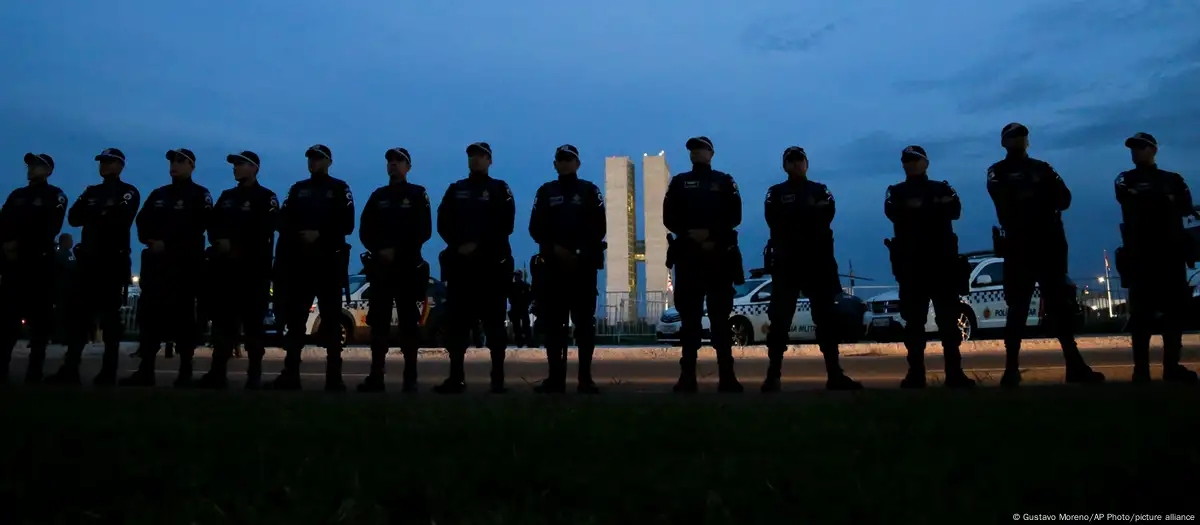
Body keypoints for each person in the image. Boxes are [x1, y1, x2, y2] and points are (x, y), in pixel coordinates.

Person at [986, 123, 1104, 387]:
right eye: (1013, 137)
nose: (1019, 140)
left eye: (1022, 136)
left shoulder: (1043, 168)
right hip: (1019, 245)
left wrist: (1029, 196)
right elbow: (1004, 199)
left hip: (1048, 245)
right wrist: (1038, 195)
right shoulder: (998, 171)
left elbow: (1064, 199)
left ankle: (1074, 367)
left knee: (1059, 309)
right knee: (1017, 307)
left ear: (1028, 141)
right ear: (1004, 142)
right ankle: (1011, 371)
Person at [761, 146, 861, 392]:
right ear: (784, 166)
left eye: (799, 161)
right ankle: (773, 377)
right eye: (791, 161)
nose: (796, 165)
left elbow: (826, 213)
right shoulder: (775, 192)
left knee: (827, 320)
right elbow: (775, 218)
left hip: (818, 263)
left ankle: (835, 375)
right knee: (780, 320)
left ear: (807, 164)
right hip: (787, 264)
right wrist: (806, 214)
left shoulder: (820, 189)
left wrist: (796, 217)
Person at [45, 148, 140, 386]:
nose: (104, 166)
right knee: (79, 318)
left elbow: (120, 217)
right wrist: (101, 213)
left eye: (109, 162)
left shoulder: (128, 191)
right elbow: (75, 217)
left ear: (120, 166)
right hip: (88, 261)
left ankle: (108, 372)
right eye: (102, 162)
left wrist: (95, 213)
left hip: (111, 262)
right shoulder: (92, 191)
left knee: (110, 319)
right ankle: (70, 369)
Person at [884, 145, 975, 389]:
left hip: (942, 266)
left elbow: (954, 210)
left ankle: (954, 374)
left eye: (915, 160)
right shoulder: (896, 191)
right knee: (914, 325)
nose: (910, 164)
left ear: (926, 163)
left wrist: (917, 208)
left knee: (949, 323)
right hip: (912, 267)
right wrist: (933, 206)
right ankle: (916, 375)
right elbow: (894, 213)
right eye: (906, 161)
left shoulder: (942, 187)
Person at [120, 148, 212, 387]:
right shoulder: (158, 194)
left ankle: (185, 372)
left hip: (185, 266)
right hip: (156, 267)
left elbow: (199, 226)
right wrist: (150, 240)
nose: (175, 164)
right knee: (150, 318)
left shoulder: (200, 195)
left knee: (183, 320)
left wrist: (168, 243)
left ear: (192, 166)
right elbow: (142, 221)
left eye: (181, 161)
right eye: (172, 160)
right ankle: (146, 369)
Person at [1113, 132, 1198, 383]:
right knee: (1141, 316)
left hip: (1169, 255)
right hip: (1140, 256)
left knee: (1173, 315)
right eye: (1133, 148)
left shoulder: (1173, 179)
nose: (1135, 152)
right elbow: (1128, 199)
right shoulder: (1125, 178)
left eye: (1140, 147)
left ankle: (1171, 367)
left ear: (1153, 150)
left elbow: (1185, 206)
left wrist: (1151, 199)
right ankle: (1141, 371)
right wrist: (1162, 200)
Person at [270, 144, 355, 391]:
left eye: (318, 159)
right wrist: (300, 235)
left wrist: (320, 234)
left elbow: (347, 223)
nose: (313, 163)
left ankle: (334, 377)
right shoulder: (298, 189)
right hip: (300, 265)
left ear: (329, 162)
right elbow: (282, 220)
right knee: (295, 321)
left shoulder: (339, 188)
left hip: (328, 263)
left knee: (330, 321)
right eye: (310, 159)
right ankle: (290, 373)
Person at [663, 136, 744, 393]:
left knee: (721, 321)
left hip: (718, 258)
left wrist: (710, 235)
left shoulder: (724, 181)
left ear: (711, 153)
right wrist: (691, 235)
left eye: (701, 148)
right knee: (690, 323)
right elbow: (669, 217)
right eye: (692, 149)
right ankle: (687, 378)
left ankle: (727, 378)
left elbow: (735, 215)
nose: (696, 152)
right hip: (689, 259)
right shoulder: (679, 182)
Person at [434, 142, 515, 394]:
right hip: (462, 270)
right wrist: (460, 246)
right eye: (472, 156)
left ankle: (498, 379)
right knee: (457, 328)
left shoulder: (500, 188)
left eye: (481, 156)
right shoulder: (456, 189)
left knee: (494, 328)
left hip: (491, 269)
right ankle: (455, 378)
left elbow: (506, 223)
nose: (476, 160)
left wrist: (478, 246)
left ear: (490, 160)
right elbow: (443, 222)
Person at [194, 151, 278, 389]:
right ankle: (217, 373)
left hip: (253, 272)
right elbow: (213, 224)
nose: (235, 168)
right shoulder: (227, 196)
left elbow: (266, 228)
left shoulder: (266, 197)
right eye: (235, 165)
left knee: (253, 326)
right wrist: (220, 241)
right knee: (223, 325)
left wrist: (238, 246)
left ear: (254, 168)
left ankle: (254, 375)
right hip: (226, 271)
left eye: (240, 164)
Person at [528, 144, 605, 394]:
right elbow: (535, 228)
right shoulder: (546, 191)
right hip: (553, 268)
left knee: (584, 325)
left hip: (582, 268)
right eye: (560, 159)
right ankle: (555, 378)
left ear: (577, 164)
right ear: (555, 165)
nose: (565, 163)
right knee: (553, 325)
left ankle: (585, 378)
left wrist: (577, 252)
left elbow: (598, 227)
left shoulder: (590, 191)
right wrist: (555, 250)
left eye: (569, 159)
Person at [358, 147, 431, 393]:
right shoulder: (378, 196)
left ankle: (410, 379)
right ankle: (376, 377)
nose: (393, 165)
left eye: (399, 161)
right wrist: (380, 251)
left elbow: (424, 230)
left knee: (409, 325)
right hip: (382, 270)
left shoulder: (418, 194)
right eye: (390, 161)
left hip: (407, 268)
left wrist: (397, 251)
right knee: (378, 325)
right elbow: (365, 230)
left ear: (408, 167)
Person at [0, 153, 67, 384]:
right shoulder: (17, 195)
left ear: (48, 170)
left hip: (39, 264)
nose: (31, 168)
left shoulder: (54, 195)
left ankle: (35, 369)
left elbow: (49, 227)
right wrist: (7, 245)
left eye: (37, 165)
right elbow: (3, 221)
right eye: (30, 165)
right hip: (14, 265)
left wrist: (19, 242)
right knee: (8, 318)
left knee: (39, 319)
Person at [52, 233, 77, 345]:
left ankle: (59, 336)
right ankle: (60, 337)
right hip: (63, 290)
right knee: (62, 315)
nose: (72, 242)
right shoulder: (63, 255)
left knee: (62, 315)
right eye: (70, 240)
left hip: (63, 289)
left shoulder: (63, 254)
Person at [508, 270, 533, 348]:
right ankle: (519, 342)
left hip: (523, 308)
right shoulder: (511, 286)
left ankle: (529, 342)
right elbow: (509, 296)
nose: (516, 276)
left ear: (521, 276)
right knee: (516, 327)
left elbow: (530, 296)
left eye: (518, 275)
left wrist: (526, 304)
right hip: (515, 308)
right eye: (515, 275)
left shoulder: (526, 286)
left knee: (526, 326)